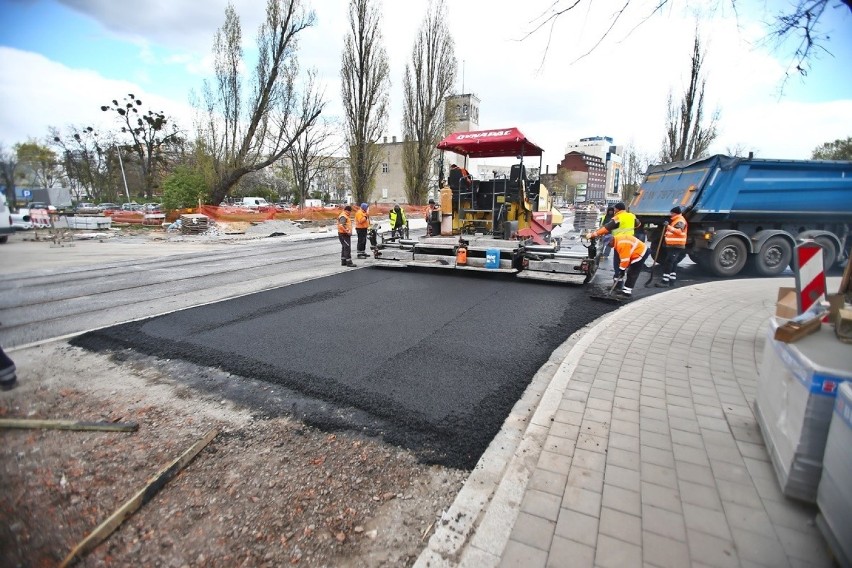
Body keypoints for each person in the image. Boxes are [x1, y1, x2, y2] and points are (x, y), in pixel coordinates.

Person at [585, 202, 641, 271]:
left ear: (617, 209)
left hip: (620, 241)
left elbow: (606, 228)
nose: (614, 210)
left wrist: (593, 234)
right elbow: (638, 225)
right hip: (630, 241)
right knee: (626, 257)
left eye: (615, 208)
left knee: (618, 260)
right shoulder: (632, 216)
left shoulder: (618, 217)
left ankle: (618, 275)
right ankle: (624, 271)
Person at [656, 206, 688, 287]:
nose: (671, 215)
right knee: (673, 262)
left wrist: (668, 227)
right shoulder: (676, 220)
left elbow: (679, 231)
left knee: (669, 262)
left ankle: (665, 281)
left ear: (675, 213)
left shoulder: (680, 220)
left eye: (672, 213)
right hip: (673, 245)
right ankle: (672, 280)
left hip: (676, 245)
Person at [612, 232, 650, 300]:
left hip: (640, 254)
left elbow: (625, 260)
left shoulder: (621, 244)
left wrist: (622, 270)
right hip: (636, 251)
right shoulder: (617, 240)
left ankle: (627, 293)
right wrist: (622, 269)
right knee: (630, 271)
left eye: (608, 244)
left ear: (611, 240)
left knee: (632, 273)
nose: (609, 246)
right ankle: (624, 290)